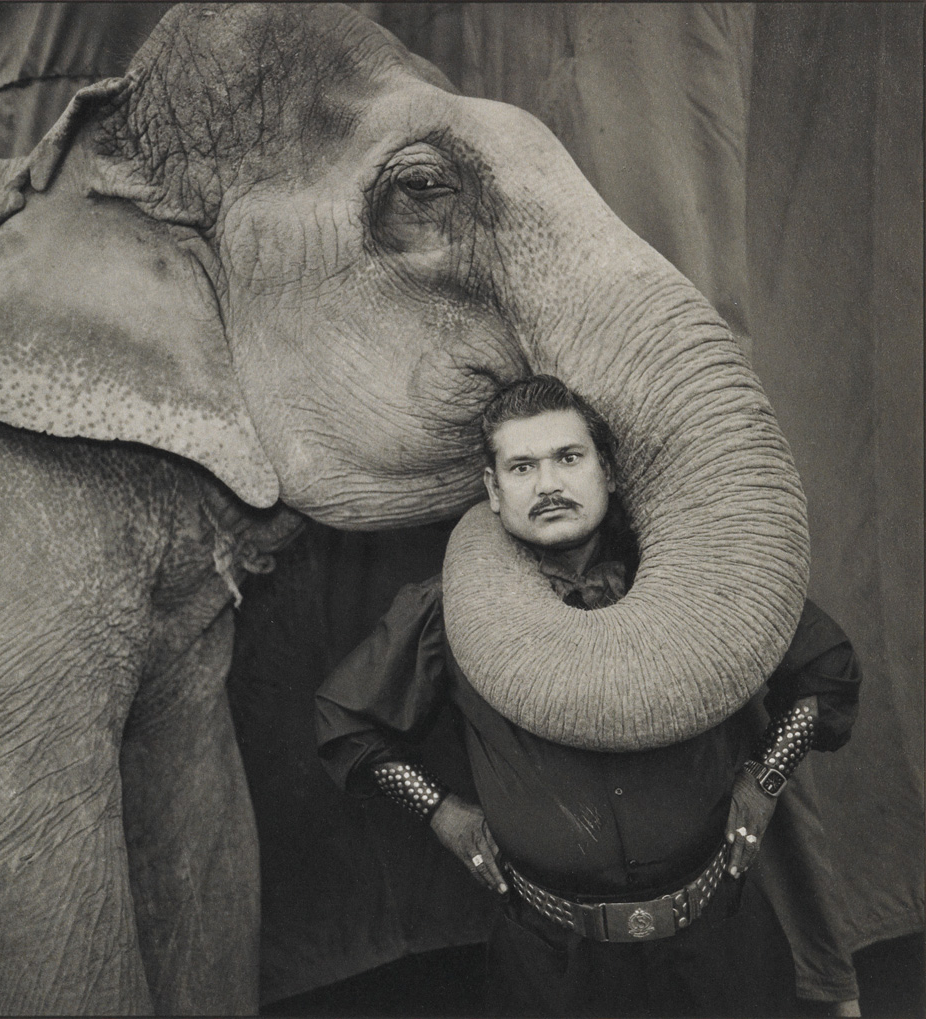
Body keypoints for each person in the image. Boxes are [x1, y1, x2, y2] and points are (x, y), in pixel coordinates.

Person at [316, 375, 861, 1018]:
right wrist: (440, 811)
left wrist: (765, 779)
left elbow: (824, 670)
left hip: (721, 948)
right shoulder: (456, 607)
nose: (548, 484)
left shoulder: (700, 573)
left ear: (608, 472)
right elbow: (344, 722)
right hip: (553, 969)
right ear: (493, 492)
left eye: (568, 458)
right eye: (522, 466)